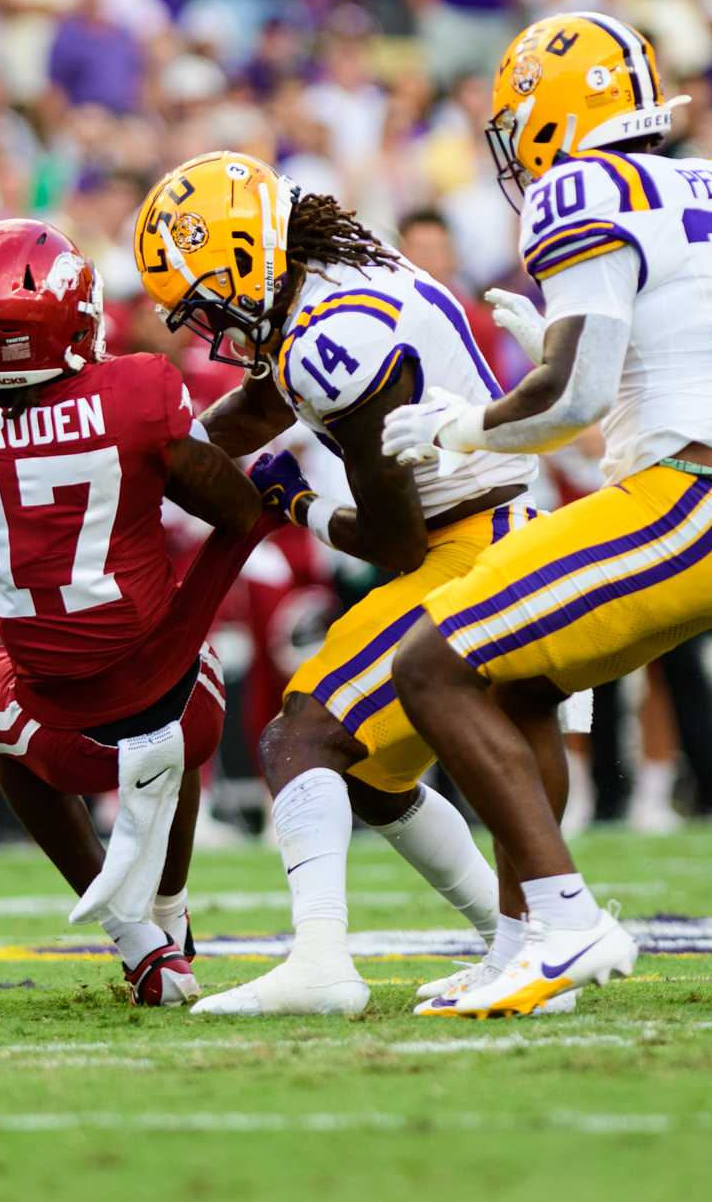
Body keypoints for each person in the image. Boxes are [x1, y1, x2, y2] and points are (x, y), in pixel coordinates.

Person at [381, 11, 712, 1018]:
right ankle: (525, 943)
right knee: (514, 682)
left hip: (696, 502)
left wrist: (463, 430)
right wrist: (565, 388)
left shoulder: (583, 187)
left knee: (429, 666)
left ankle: (568, 921)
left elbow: (569, 398)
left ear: (553, 113)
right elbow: (662, 378)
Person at [131, 150, 565, 1019]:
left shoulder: (337, 336)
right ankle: (520, 945)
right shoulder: (330, 275)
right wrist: (154, 462)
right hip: (489, 529)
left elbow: (396, 539)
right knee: (366, 773)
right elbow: (261, 403)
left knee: (304, 737)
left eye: (208, 300)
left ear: (249, 255)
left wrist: (299, 504)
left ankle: (324, 961)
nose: (210, 325)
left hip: (466, 541)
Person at [0, 220, 268, 1005]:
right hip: (182, 714)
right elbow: (233, 502)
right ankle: (168, 910)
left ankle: (136, 940)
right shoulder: (140, 389)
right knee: (184, 659)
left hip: (58, 733)